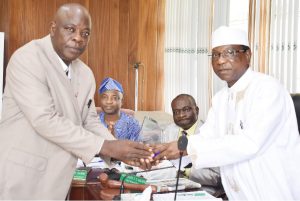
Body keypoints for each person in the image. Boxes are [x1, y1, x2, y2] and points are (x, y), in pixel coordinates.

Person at [0, 3, 153, 199]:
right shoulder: (27, 58)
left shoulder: (85, 73)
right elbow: (45, 119)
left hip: (57, 180)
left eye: (85, 33)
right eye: (70, 29)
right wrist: (106, 146)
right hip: (21, 176)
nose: (78, 38)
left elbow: (88, 121)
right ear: (53, 28)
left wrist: (123, 152)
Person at [153, 26, 300, 200]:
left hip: (272, 192)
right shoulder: (220, 99)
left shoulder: (268, 88)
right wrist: (170, 148)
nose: (220, 61)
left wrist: (186, 147)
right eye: (215, 55)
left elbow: (250, 143)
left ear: (247, 55)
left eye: (229, 52)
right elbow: (206, 136)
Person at [163, 94, 223, 196]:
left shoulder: (210, 134)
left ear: (197, 110)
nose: (181, 115)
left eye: (186, 110)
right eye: (176, 112)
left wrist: (185, 172)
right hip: (170, 188)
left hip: (201, 191)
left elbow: (218, 177)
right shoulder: (167, 131)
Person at [98, 77, 140, 141]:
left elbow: (138, 148)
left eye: (114, 98)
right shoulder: (93, 122)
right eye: (105, 97)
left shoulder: (132, 124)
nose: (109, 101)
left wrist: (115, 141)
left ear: (122, 101)